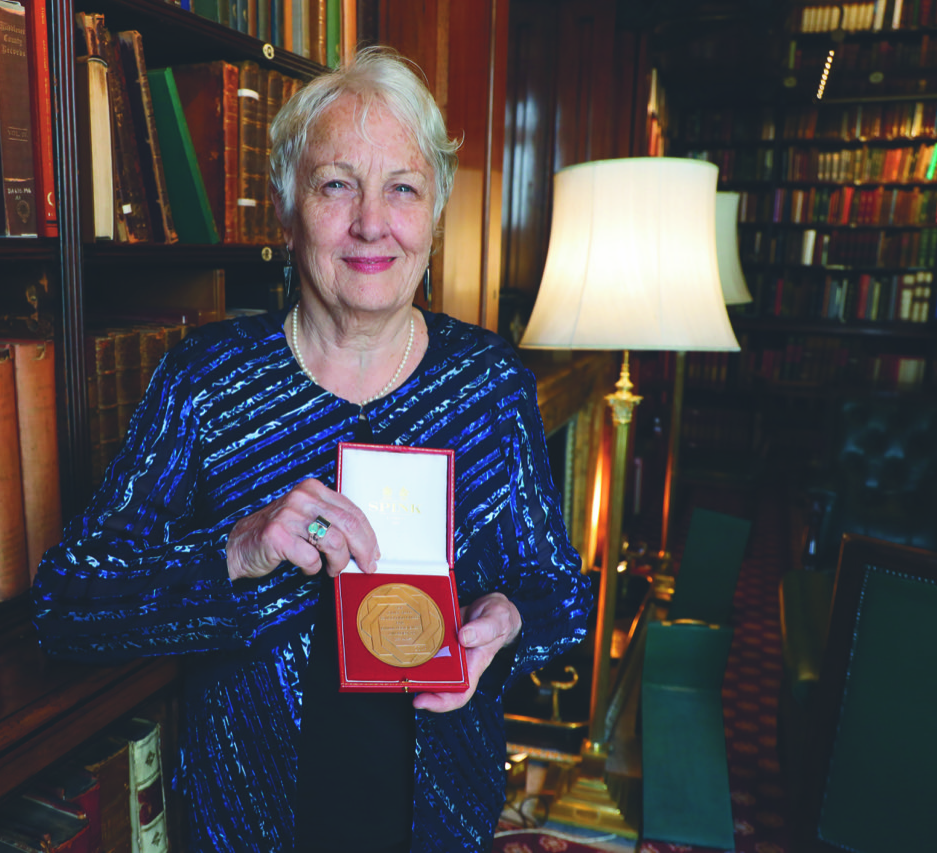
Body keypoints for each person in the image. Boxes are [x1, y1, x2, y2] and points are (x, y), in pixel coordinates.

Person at [32, 46, 592, 853]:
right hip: (251, 830)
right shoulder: (207, 379)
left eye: (403, 188)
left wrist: (507, 621)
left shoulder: (488, 384)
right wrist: (238, 548)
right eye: (337, 185)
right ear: (286, 209)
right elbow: (66, 604)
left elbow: (560, 593)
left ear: (434, 213)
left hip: (438, 825)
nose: (372, 222)